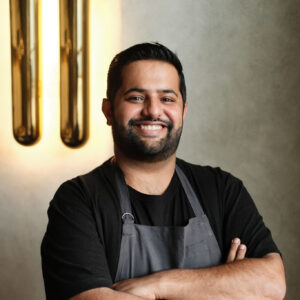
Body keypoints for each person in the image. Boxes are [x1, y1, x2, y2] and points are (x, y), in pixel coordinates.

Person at [41, 43, 286, 300]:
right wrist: (224, 286)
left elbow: (272, 284)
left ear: (183, 111)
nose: (153, 111)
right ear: (108, 111)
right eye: (136, 97)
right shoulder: (78, 200)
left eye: (167, 99)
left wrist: (159, 285)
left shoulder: (222, 189)